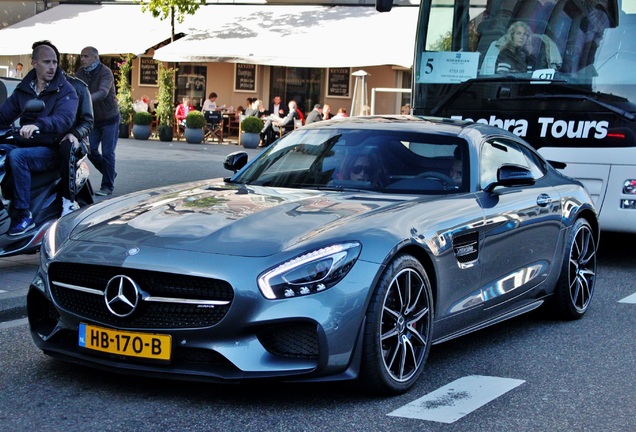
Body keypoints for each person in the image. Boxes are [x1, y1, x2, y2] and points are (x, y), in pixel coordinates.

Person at [0, 43, 78, 235]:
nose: (52, 66)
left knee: (18, 157)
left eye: (54, 62)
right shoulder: (25, 89)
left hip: (51, 147)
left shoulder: (65, 90)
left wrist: (38, 125)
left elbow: (64, 119)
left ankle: (23, 215)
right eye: (46, 62)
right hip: (25, 142)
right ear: (34, 63)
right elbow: (4, 115)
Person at [31, 40, 94, 216]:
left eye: (51, 61)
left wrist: (74, 133)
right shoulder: (33, 85)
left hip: (72, 139)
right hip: (46, 137)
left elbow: (88, 121)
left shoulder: (78, 87)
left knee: (66, 147)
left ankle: (68, 199)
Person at [75, 46, 120, 197]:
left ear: (95, 58)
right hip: (94, 119)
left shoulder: (105, 72)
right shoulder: (81, 72)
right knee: (91, 150)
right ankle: (109, 173)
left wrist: (84, 100)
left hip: (109, 119)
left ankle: (107, 186)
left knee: (108, 153)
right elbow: (74, 89)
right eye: (81, 56)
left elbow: (103, 92)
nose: (82, 59)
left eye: (86, 56)